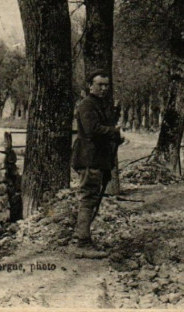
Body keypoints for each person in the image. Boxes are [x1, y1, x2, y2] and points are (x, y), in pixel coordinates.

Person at [70, 69, 122, 256]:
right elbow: (92, 130)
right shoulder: (87, 105)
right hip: (89, 158)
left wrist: (116, 136)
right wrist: (115, 132)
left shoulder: (99, 105)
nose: (103, 88)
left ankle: (83, 238)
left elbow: (105, 129)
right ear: (89, 85)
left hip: (98, 159)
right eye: (99, 84)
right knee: (88, 199)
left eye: (106, 85)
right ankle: (81, 243)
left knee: (91, 199)